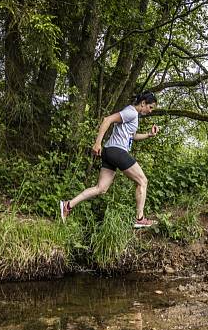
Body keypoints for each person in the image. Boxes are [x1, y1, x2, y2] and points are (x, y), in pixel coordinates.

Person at [59, 91, 159, 228]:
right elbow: (107, 120)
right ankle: (140, 218)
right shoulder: (131, 112)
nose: (150, 111)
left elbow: (133, 136)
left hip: (109, 151)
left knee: (101, 188)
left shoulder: (132, 116)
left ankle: (67, 205)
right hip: (117, 151)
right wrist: (97, 143)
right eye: (151, 107)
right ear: (143, 103)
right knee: (143, 181)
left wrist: (149, 135)